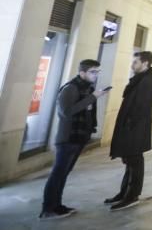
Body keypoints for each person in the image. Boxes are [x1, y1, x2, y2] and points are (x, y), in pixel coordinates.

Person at [39, 59, 107, 220]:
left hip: (78, 138)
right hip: (67, 138)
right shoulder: (70, 89)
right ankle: (48, 209)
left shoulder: (86, 89)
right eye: (93, 72)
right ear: (82, 72)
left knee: (64, 174)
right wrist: (93, 97)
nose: (96, 75)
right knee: (58, 174)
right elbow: (66, 112)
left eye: (97, 72)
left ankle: (57, 205)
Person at [106, 51, 152, 211]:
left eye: (136, 62)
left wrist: (130, 125)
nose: (132, 65)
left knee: (135, 162)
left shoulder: (147, 81)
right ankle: (124, 193)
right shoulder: (139, 80)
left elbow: (141, 107)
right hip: (131, 127)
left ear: (145, 64)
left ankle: (132, 195)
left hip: (135, 129)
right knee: (130, 162)